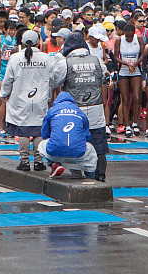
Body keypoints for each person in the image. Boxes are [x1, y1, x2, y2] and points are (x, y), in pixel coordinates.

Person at [50, 32, 108, 182]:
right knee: (99, 145)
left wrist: (58, 59)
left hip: (74, 112)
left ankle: (78, 175)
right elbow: (103, 76)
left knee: (75, 141)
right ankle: (100, 174)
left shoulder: (65, 63)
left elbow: (53, 81)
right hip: (96, 110)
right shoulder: (97, 60)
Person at [0, 30, 52, 171]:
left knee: (22, 130)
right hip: (40, 99)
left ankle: (24, 161)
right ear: (38, 42)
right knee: (38, 130)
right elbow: (52, 79)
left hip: (20, 99)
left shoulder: (15, 58)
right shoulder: (46, 58)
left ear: (22, 42)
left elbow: (7, 79)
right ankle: (38, 160)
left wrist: (3, 94)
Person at [40, 91, 98, 179]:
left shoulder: (52, 111)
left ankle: (53, 164)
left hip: (55, 152)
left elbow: (44, 134)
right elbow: (87, 136)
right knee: (91, 152)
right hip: (78, 153)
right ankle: (91, 178)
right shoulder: (80, 112)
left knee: (41, 145)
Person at [113, 22, 144, 137]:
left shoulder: (139, 38)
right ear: (124, 33)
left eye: (131, 36)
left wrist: (135, 64)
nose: (130, 38)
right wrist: (126, 63)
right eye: (128, 37)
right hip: (124, 71)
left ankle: (135, 123)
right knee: (125, 99)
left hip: (135, 70)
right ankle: (126, 125)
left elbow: (142, 54)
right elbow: (116, 56)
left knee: (137, 97)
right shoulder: (119, 40)